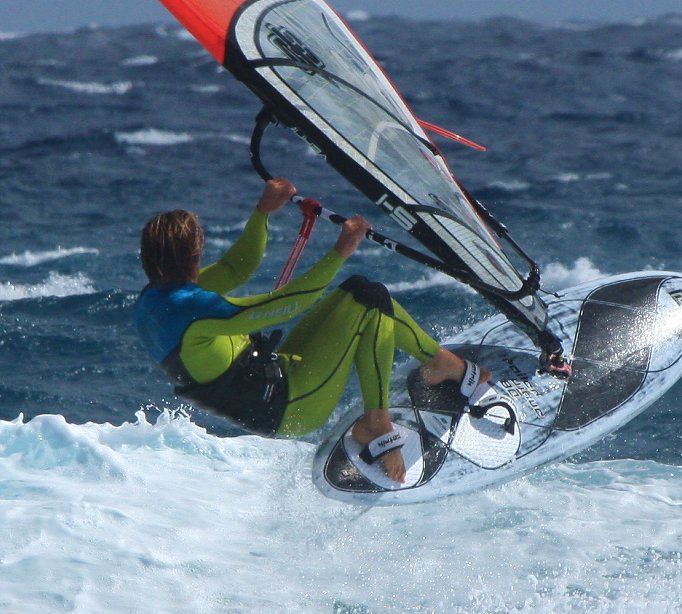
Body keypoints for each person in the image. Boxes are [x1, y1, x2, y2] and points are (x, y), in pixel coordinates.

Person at [133, 178, 502, 483]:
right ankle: (377, 423)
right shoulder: (196, 310)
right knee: (372, 302)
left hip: (275, 377)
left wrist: (264, 211)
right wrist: (340, 250)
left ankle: (442, 363)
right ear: (194, 257)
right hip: (290, 407)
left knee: (359, 291)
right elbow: (290, 302)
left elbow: (236, 267)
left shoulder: (155, 299)